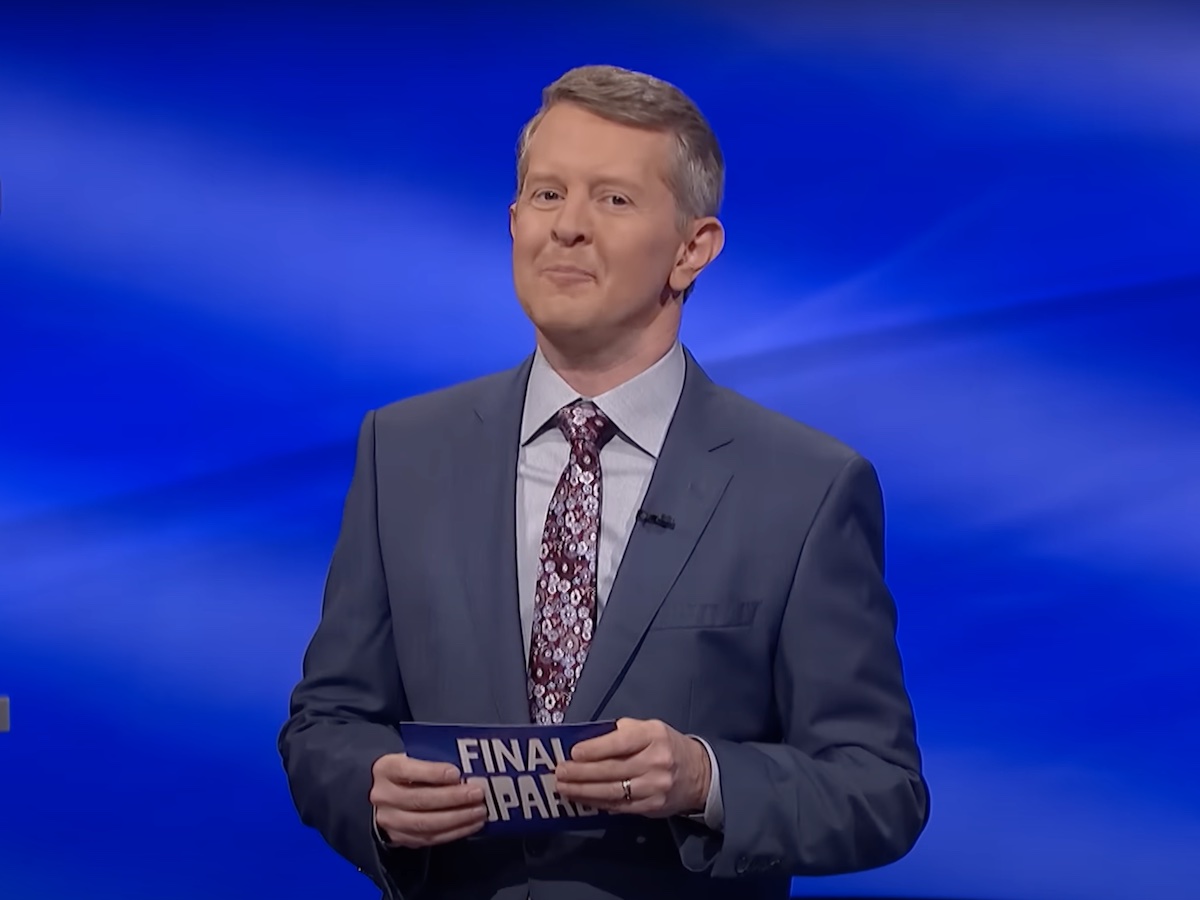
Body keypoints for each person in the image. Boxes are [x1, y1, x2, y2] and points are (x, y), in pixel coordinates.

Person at [278, 64, 928, 900]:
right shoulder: (402, 451)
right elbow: (325, 726)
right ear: (513, 224)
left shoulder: (804, 488)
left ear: (693, 249)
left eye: (613, 200)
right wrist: (371, 785)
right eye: (547, 196)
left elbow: (881, 788)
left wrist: (704, 778)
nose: (568, 229)